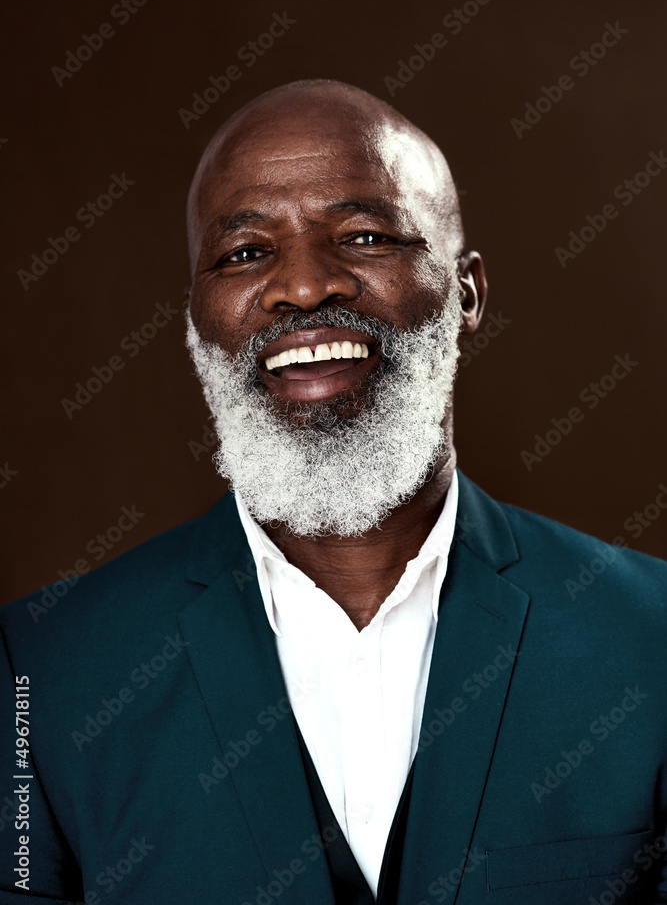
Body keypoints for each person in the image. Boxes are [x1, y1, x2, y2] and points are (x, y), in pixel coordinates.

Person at [1, 80, 666, 905]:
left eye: (363, 235)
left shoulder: (652, 640)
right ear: (194, 321)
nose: (305, 287)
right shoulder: (38, 671)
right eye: (245, 253)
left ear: (466, 294)